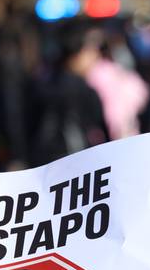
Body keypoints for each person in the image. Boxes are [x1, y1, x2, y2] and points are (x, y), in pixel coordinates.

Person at [29, 20, 109, 167]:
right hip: (73, 167)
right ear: (76, 49)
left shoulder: (41, 82)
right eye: (91, 48)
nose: (97, 55)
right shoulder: (81, 91)